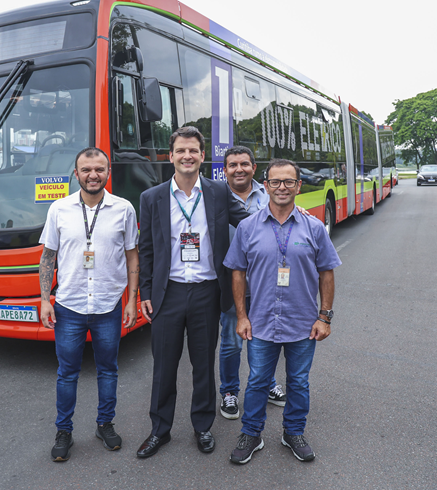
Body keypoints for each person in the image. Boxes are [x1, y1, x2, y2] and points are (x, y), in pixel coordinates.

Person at [136, 126, 251, 458]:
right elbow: (146, 250)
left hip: (205, 292)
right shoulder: (152, 197)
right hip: (167, 293)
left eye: (194, 151)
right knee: (164, 367)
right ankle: (160, 430)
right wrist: (145, 290)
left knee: (203, 365)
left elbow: (247, 222)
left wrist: (286, 214)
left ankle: (203, 426)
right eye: (180, 150)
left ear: (203, 156)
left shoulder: (217, 192)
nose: (187, 156)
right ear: (170, 156)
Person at [224, 158, 341, 465]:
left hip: (303, 323)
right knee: (259, 380)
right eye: (275, 182)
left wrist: (324, 316)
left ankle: (293, 432)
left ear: (298, 186)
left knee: (298, 382)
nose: (282, 188)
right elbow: (237, 272)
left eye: (289, 182)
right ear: (266, 185)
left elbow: (327, 272)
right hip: (261, 321)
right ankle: (251, 433)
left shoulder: (314, 228)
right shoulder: (247, 228)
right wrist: (241, 316)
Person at [39, 147, 139, 462]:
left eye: (99, 169)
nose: (93, 175)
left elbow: (132, 255)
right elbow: (48, 257)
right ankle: (64, 431)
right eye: (86, 169)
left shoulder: (124, 209)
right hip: (68, 306)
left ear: (108, 172)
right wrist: (44, 300)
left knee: (108, 370)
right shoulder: (59, 209)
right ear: (76, 173)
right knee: (67, 372)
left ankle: (104, 424)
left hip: (108, 305)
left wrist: (131, 300)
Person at [219, 146, 285, 421]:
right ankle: (229, 392)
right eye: (232, 165)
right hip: (230, 283)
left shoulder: (269, 192)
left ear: (254, 168)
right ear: (225, 170)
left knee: (265, 339)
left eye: (244, 164)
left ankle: (267, 384)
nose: (239, 169)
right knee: (232, 341)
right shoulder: (214, 196)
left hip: (264, 283)